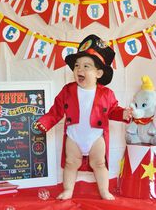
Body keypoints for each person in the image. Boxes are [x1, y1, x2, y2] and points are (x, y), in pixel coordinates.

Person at [35, 34, 132, 200]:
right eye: (77, 66)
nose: (79, 70)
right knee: (70, 163)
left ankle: (104, 191)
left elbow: (113, 109)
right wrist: (45, 122)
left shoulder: (106, 93)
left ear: (98, 73)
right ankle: (68, 190)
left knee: (99, 163)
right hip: (74, 136)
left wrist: (123, 113)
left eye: (86, 66)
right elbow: (56, 110)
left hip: (96, 136)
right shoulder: (68, 90)